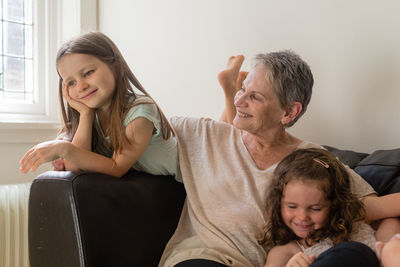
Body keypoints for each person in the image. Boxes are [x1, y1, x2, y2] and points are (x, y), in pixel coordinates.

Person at [158, 50, 400, 267]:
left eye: (255, 97)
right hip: (205, 257)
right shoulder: (204, 134)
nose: (239, 100)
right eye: (241, 89)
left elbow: (373, 209)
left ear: (289, 112)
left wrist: (386, 252)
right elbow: (136, 123)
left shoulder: (312, 161)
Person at [19, 32, 180, 181]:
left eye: (88, 73)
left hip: (182, 182)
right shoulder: (91, 115)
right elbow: (75, 168)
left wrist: (64, 149)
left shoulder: (140, 113)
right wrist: (86, 115)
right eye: (71, 82)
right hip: (151, 185)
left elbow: (116, 167)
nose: (81, 86)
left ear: (117, 68)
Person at [259, 148, 379, 267]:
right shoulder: (286, 250)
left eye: (315, 208)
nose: (302, 217)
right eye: (292, 206)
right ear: (278, 204)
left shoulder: (358, 228)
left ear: (335, 205)